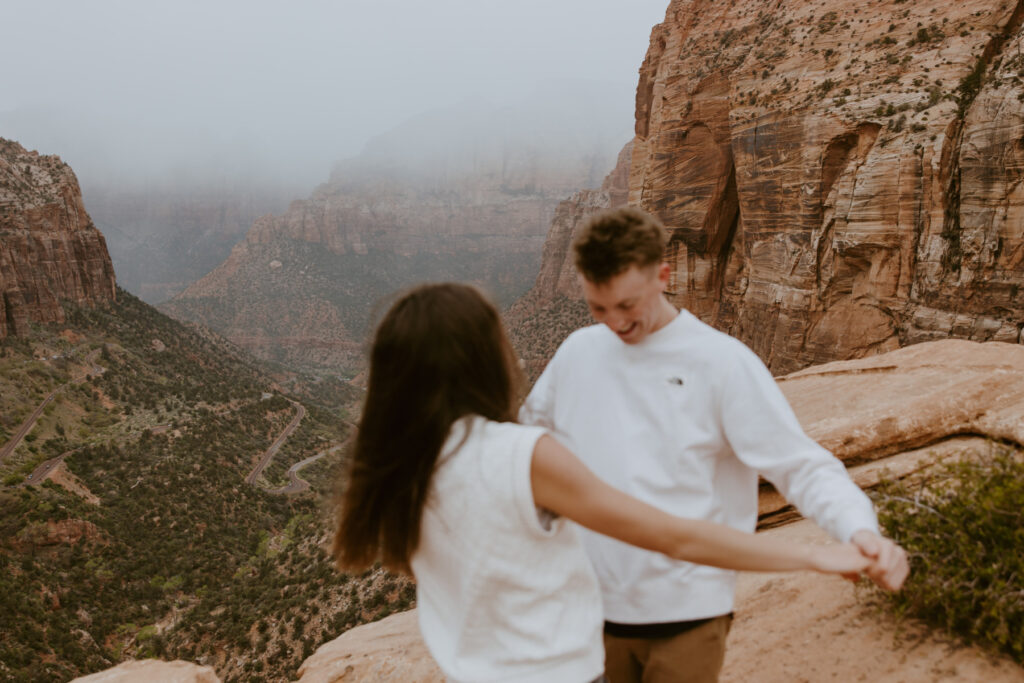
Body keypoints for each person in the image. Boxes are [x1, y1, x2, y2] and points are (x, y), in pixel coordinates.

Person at [333, 282, 872, 683]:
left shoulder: (399, 464)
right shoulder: (522, 456)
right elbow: (672, 536)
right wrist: (816, 557)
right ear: (483, 361)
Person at [519, 206, 910, 683]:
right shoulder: (578, 352)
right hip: (586, 610)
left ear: (662, 276)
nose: (614, 324)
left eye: (627, 305)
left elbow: (800, 466)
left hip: (687, 613)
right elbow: (528, 447)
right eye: (598, 308)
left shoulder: (722, 363)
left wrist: (858, 529)